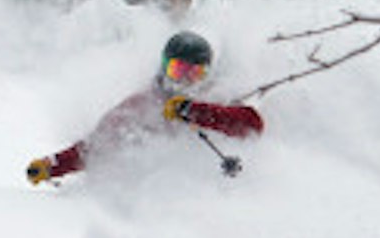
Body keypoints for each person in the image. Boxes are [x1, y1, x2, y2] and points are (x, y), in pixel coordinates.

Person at [26, 31, 263, 185]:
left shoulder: (215, 97)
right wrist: (51, 166)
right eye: (178, 69)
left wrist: (193, 111)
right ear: (163, 67)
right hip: (159, 193)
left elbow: (252, 125)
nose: (184, 80)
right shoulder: (142, 105)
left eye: (195, 73)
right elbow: (95, 148)